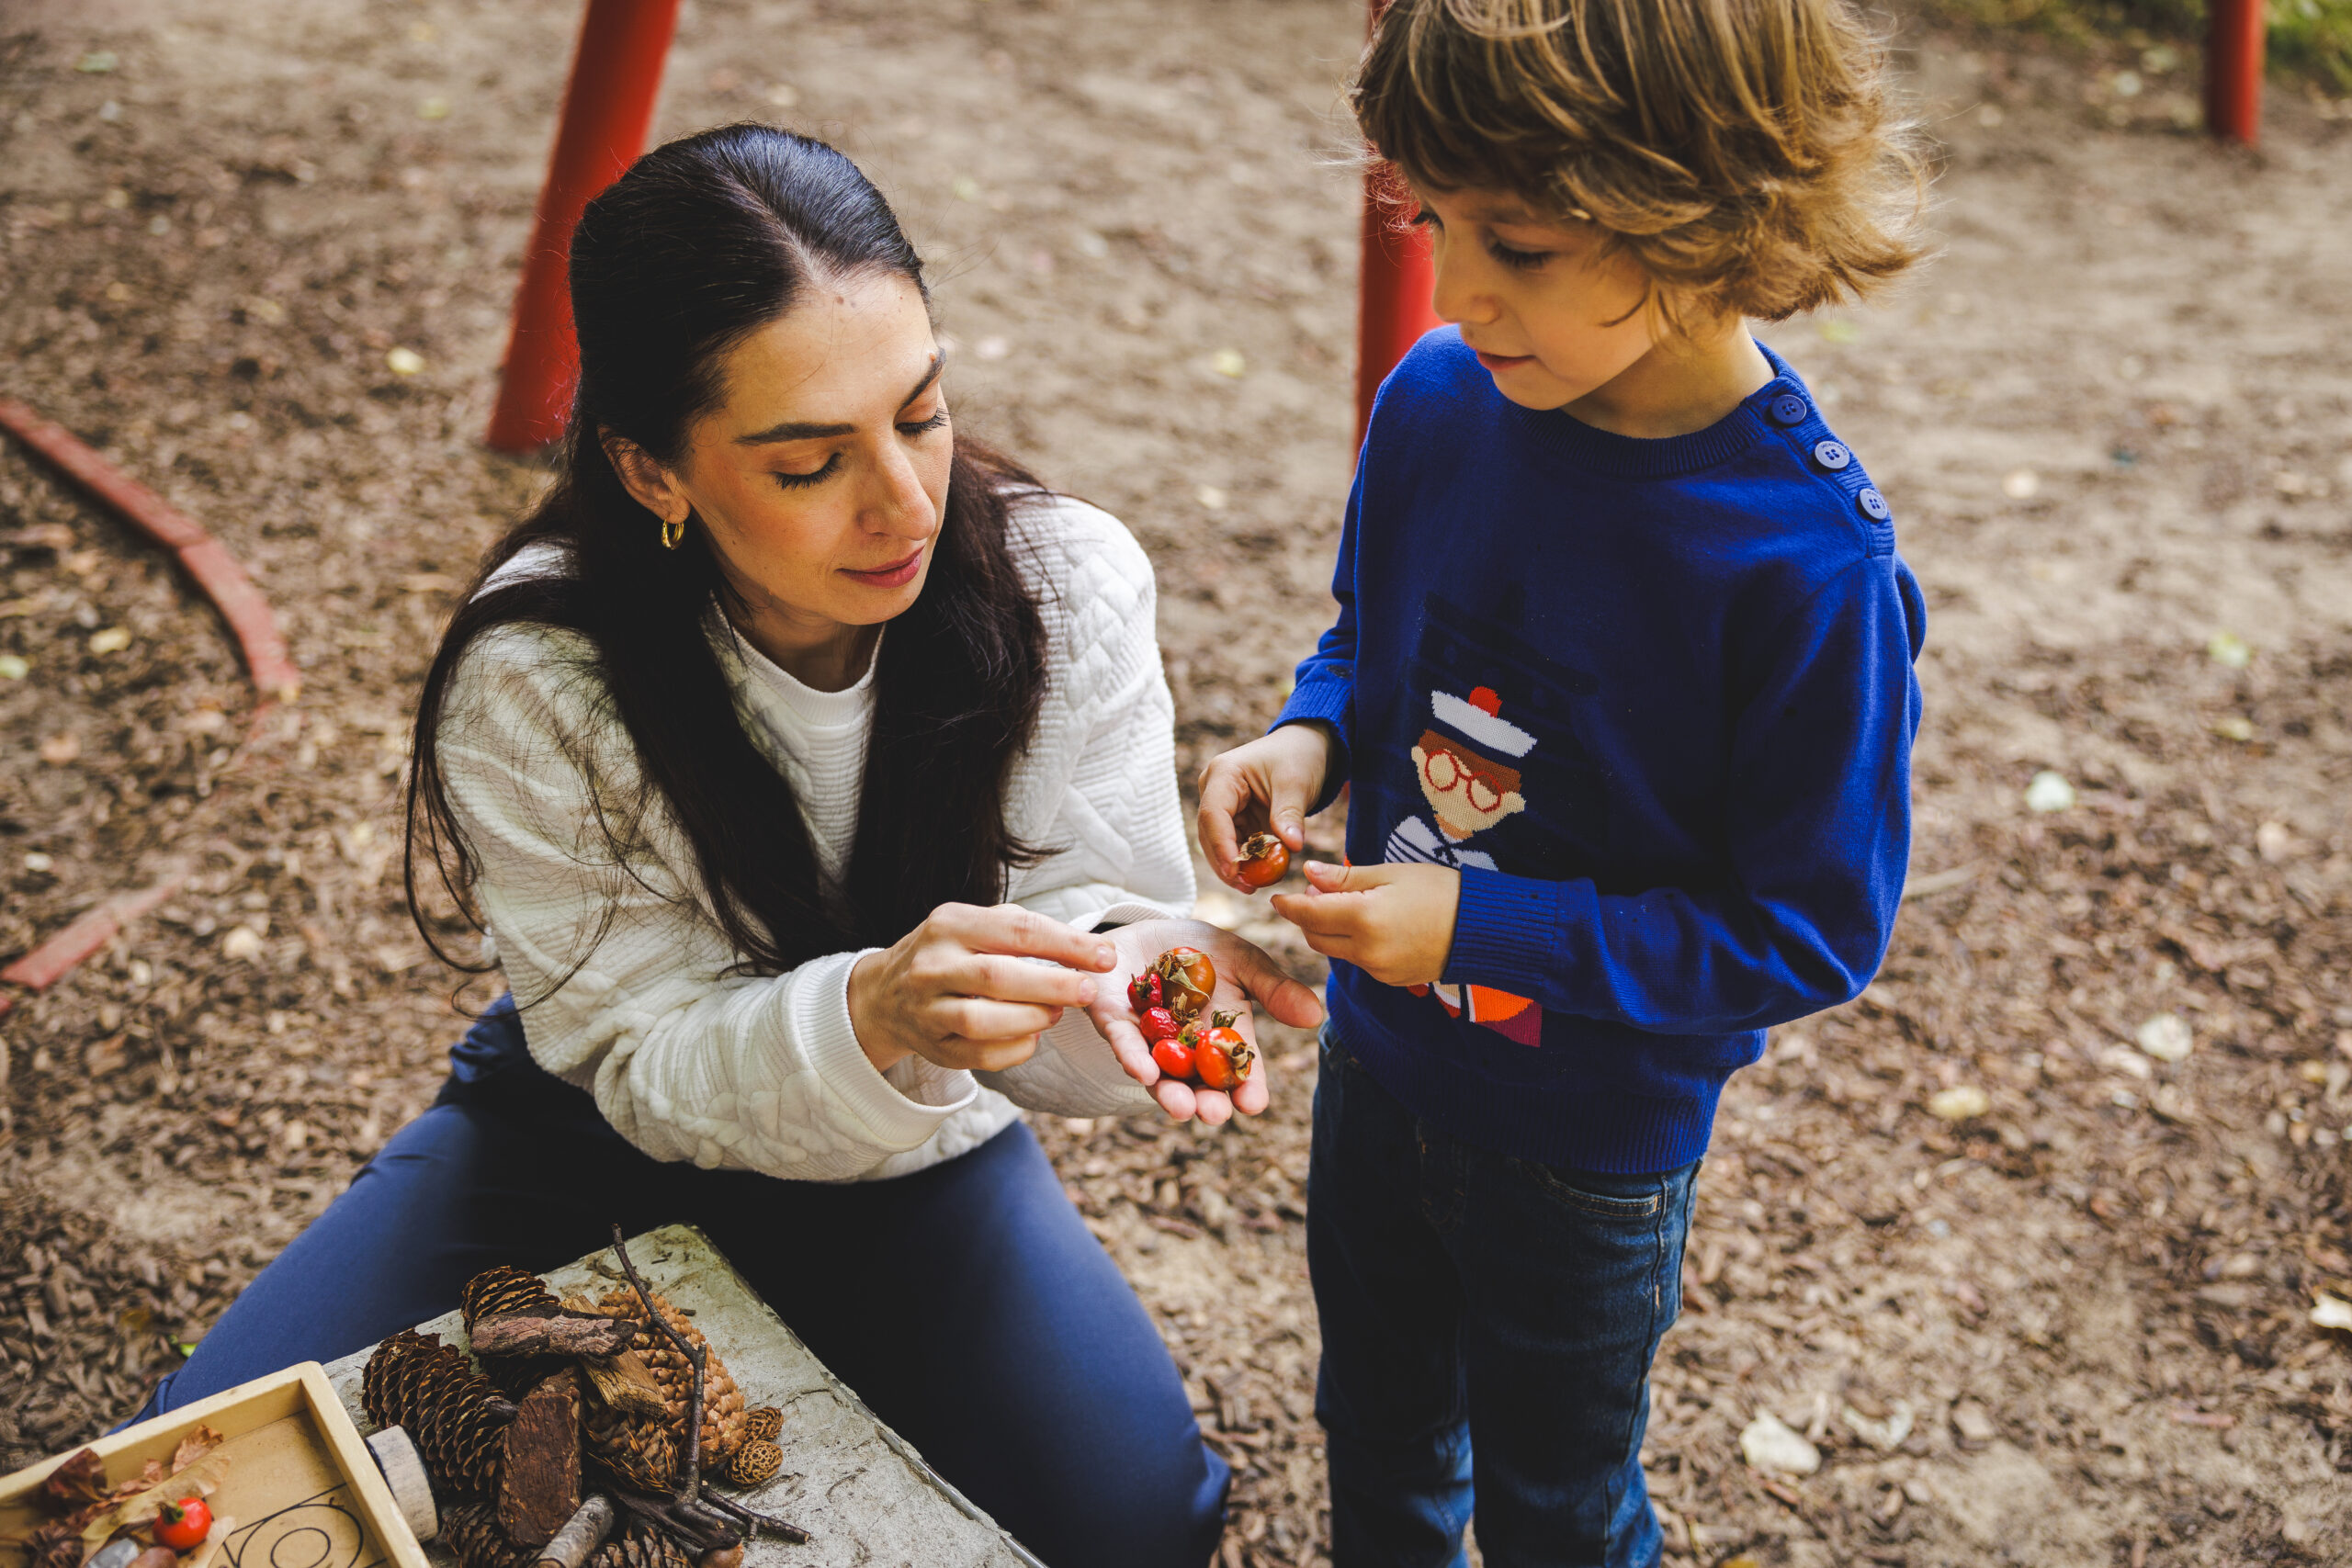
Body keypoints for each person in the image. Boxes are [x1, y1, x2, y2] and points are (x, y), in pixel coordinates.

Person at [137, 123, 1321, 1568]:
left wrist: (1117, 989)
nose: (904, 502)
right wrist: (871, 1014)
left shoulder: (1066, 587)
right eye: (812, 461)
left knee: (1138, 1528)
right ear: (653, 472)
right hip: (586, 1127)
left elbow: (1086, 971)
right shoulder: (543, 672)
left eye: (924, 411)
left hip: (919, 1160)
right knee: (198, 1462)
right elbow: (634, 1048)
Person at [1196, 3, 1927, 1563]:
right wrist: (1306, 741)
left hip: (1587, 1148)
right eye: (1435, 220)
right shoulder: (1444, 401)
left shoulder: (1806, 567)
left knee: (1556, 1504)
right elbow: (1370, 641)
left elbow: (1807, 931)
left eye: (1514, 243)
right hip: (1381, 1068)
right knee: (1377, 1427)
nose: (1452, 291)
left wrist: (1477, 932)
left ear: (1705, 201)